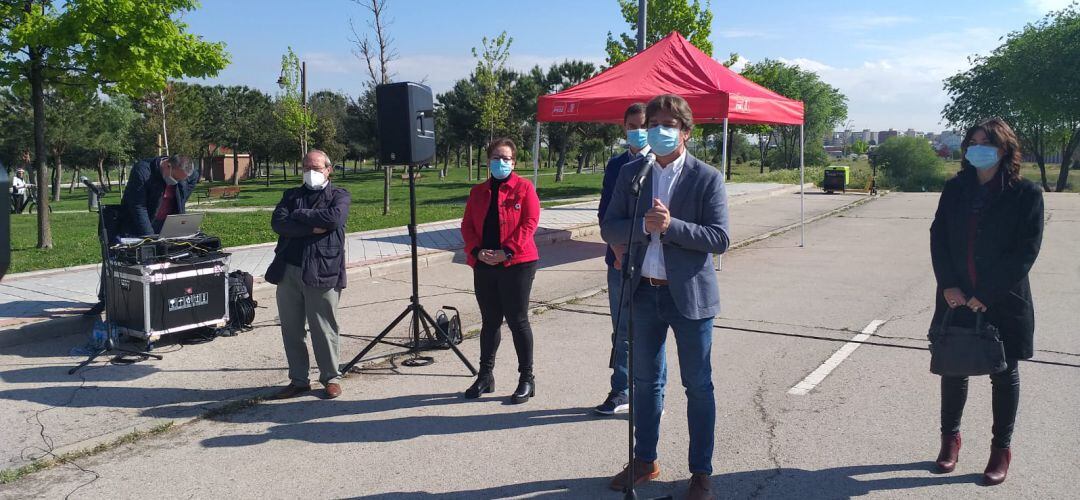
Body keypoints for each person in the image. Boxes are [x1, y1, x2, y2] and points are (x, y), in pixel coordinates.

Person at [601, 94, 729, 500]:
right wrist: (644, 226)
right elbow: (610, 227)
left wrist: (672, 226)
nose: (659, 130)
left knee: (698, 386)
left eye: (669, 123)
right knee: (644, 384)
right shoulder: (632, 174)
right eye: (654, 122)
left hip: (690, 298)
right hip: (642, 293)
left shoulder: (707, 177)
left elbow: (719, 239)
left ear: (686, 131)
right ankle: (645, 460)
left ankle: (701, 473)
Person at [929, 117, 1043, 486]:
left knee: (1004, 373)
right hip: (955, 296)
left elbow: (1025, 251)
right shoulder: (956, 188)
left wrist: (986, 294)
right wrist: (948, 285)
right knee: (953, 368)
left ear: (1004, 149)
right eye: (972, 141)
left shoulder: (1026, 193)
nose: (977, 148)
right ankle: (950, 441)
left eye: (986, 142)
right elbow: (939, 236)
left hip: (1002, 298)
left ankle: (1000, 450)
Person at [265, 150, 351, 400]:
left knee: (324, 328)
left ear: (328, 169)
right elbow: (279, 224)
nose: (310, 172)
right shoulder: (291, 195)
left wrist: (299, 216)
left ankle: (331, 378)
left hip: (322, 270)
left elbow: (334, 219)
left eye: (315, 167)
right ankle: (299, 380)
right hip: (289, 270)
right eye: (305, 167)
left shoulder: (340, 195)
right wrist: (312, 226)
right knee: (292, 329)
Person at [460, 138, 540, 404]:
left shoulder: (524, 188)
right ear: (488, 161)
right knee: (490, 322)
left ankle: (526, 378)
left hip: (517, 263)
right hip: (484, 264)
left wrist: (507, 251)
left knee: (517, 321)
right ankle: (485, 376)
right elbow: (467, 225)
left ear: (514, 162)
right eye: (496, 157)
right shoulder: (478, 192)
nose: (501, 162)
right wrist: (476, 251)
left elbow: (530, 223)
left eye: (506, 158)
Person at [85, 155, 198, 316]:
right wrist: (150, 237)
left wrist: (181, 199)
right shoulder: (142, 171)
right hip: (138, 222)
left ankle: (159, 296)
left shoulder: (187, 171)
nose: (177, 182)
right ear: (167, 166)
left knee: (165, 260)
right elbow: (138, 206)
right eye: (175, 178)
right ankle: (106, 299)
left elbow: (194, 178)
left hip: (165, 222)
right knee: (117, 259)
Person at [594, 102, 651, 416]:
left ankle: (650, 392)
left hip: (650, 262)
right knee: (622, 330)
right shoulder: (616, 165)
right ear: (624, 127)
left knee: (649, 330)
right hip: (617, 261)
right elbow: (606, 213)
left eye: (645, 125)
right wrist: (618, 250)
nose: (638, 131)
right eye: (633, 125)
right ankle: (621, 390)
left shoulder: (659, 162)